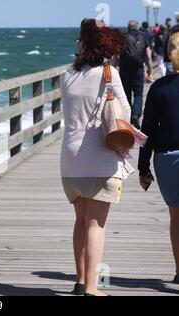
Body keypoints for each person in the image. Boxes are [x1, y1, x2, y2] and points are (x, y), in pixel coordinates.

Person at [60, 19, 133, 296]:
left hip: (70, 160)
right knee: (96, 224)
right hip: (100, 159)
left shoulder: (66, 75)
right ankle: (92, 287)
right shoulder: (108, 73)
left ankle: (80, 281)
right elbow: (123, 111)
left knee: (80, 220)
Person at [139, 33, 179, 285]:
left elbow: (148, 130)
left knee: (176, 217)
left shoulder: (159, 87)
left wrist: (143, 168)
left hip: (167, 159)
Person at [119, 20, 154, 130]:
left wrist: (113, 69)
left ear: (128, 27)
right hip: (138, 70)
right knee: (138, 95)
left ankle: (128, 116)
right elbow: (148, 56)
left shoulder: (123, 37)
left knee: (126, 94)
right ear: (137, 27)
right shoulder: (143, 37)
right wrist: (150, 72)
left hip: (124, 70)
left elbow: (116, 56)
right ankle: (136, 114)